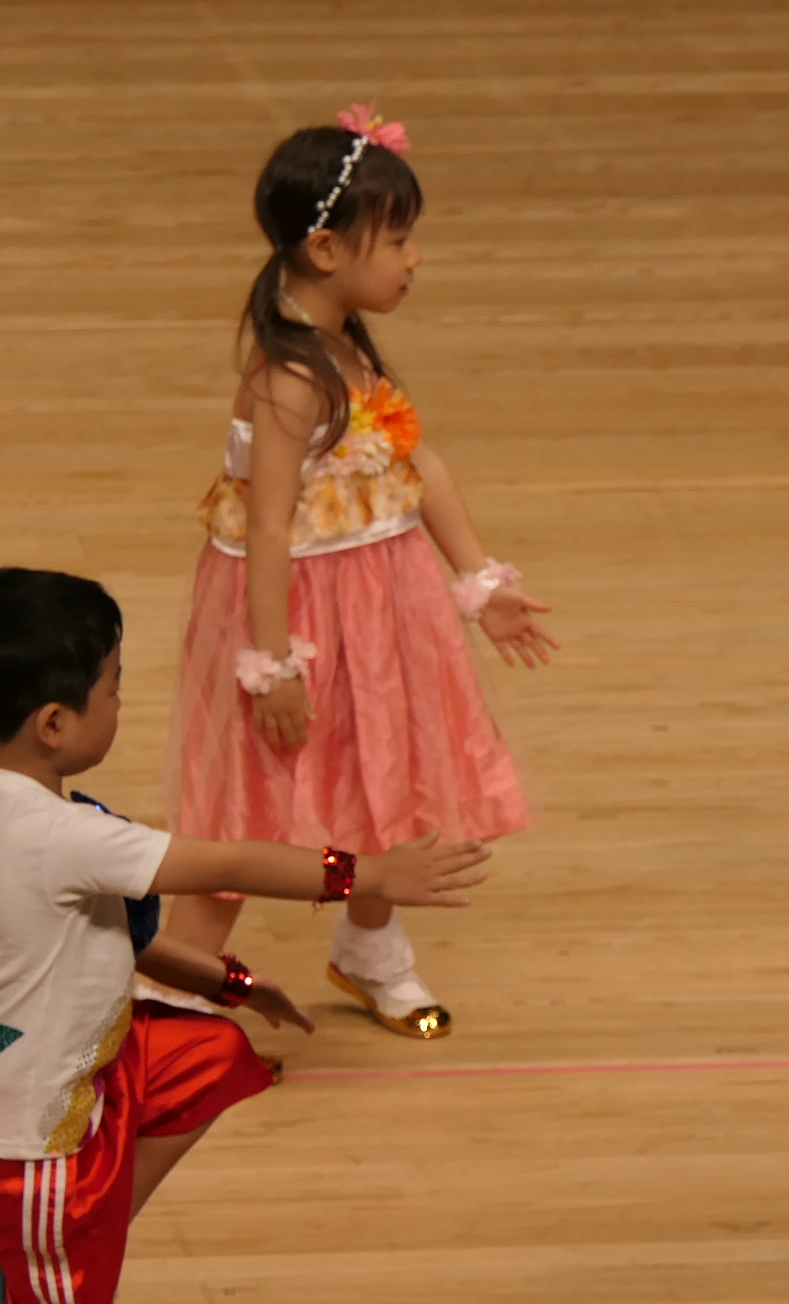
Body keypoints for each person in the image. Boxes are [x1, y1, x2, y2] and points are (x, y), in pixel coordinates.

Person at [0, 567, 488, 1304]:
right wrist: (366, 875)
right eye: (112, 687)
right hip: (35, 1130)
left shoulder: (11, 807)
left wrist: (227, 981)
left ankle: (68, 1259)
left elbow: (112, 934)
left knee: (208, 1058)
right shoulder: (61, 833)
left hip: (59, 1077)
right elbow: (225, 860)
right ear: (55, 722)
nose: (121, 701)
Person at [161, 102, 553, 1041]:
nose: (415, 258)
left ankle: (371, 948)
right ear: (328, 249)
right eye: (400, 239)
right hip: (298, 616)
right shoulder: (289, 379)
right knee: (253, 803)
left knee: (388, 771)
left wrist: (481, 585)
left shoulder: (348, 351)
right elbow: (267, 525)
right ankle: (171, 989)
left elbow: (421, 467)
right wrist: (273, 666)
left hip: (379, 606)